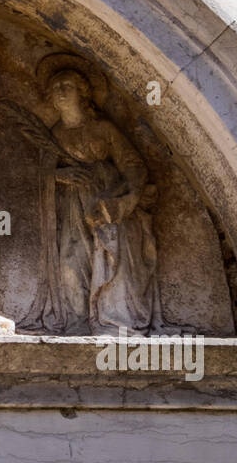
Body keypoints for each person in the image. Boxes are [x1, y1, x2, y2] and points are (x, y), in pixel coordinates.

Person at [23, 65, 163, 335]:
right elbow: (43, 176)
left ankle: (113, 317)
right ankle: (78, 319)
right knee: (70, 263)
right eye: (54, 89)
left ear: (83, 92)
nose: (59, 92)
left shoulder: (102, 128)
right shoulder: (54, 135)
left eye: (67, 86)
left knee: (111, 256)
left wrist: (125, 199)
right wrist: (60, 175)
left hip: (105, 201)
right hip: (72, 209)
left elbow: (133, 165)